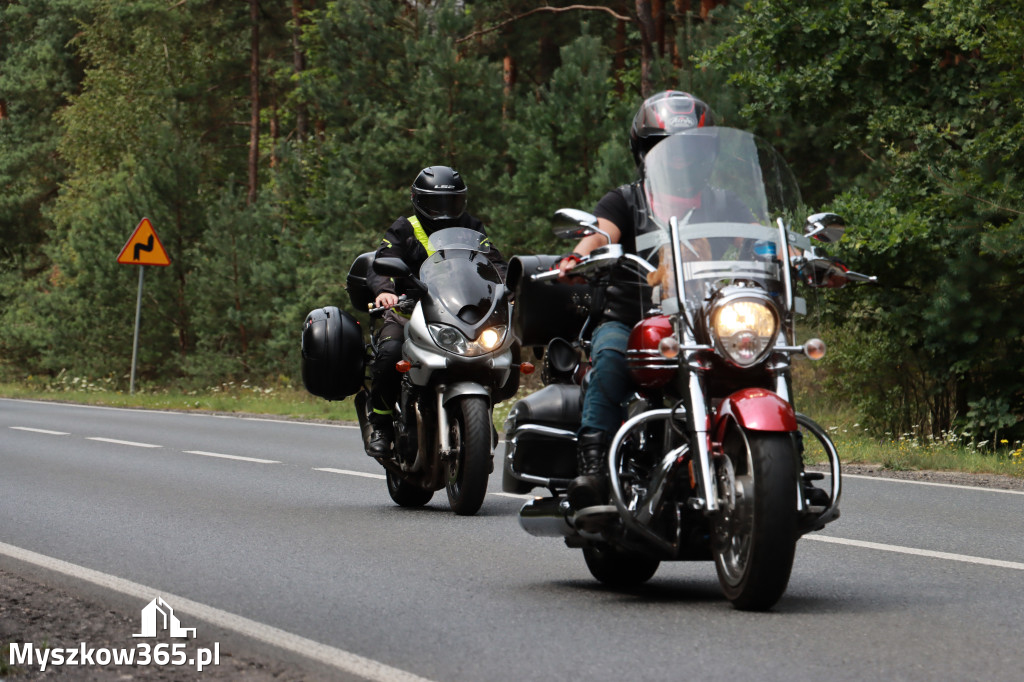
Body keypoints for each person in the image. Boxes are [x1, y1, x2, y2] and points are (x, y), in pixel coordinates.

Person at [557, 90, 743, 510]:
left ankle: (784, 466)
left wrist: (796, 257)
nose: (680, 160)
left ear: (705, 155)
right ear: (645, 153)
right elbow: (602, 233)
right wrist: (579, 256)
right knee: (606, 358)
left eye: (690, 151)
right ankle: (592, 468)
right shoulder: (625, 201)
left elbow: (758, 240)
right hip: (633, 319)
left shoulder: (723, 202)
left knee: (759, 358)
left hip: (704, 323)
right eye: (667, 151)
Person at [364, 166, 506, 456]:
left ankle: (479, 415)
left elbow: (495, 264)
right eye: (435, 203)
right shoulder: (405, 228)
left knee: (500, 354)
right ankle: (380, 424)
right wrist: (384, 291)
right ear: (419, 200)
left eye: (451, 202)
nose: (443, 209)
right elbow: (381, 261)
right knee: (389, 353)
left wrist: (509, 289)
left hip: (459, 315)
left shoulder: (472, 229)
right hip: (409, 313)